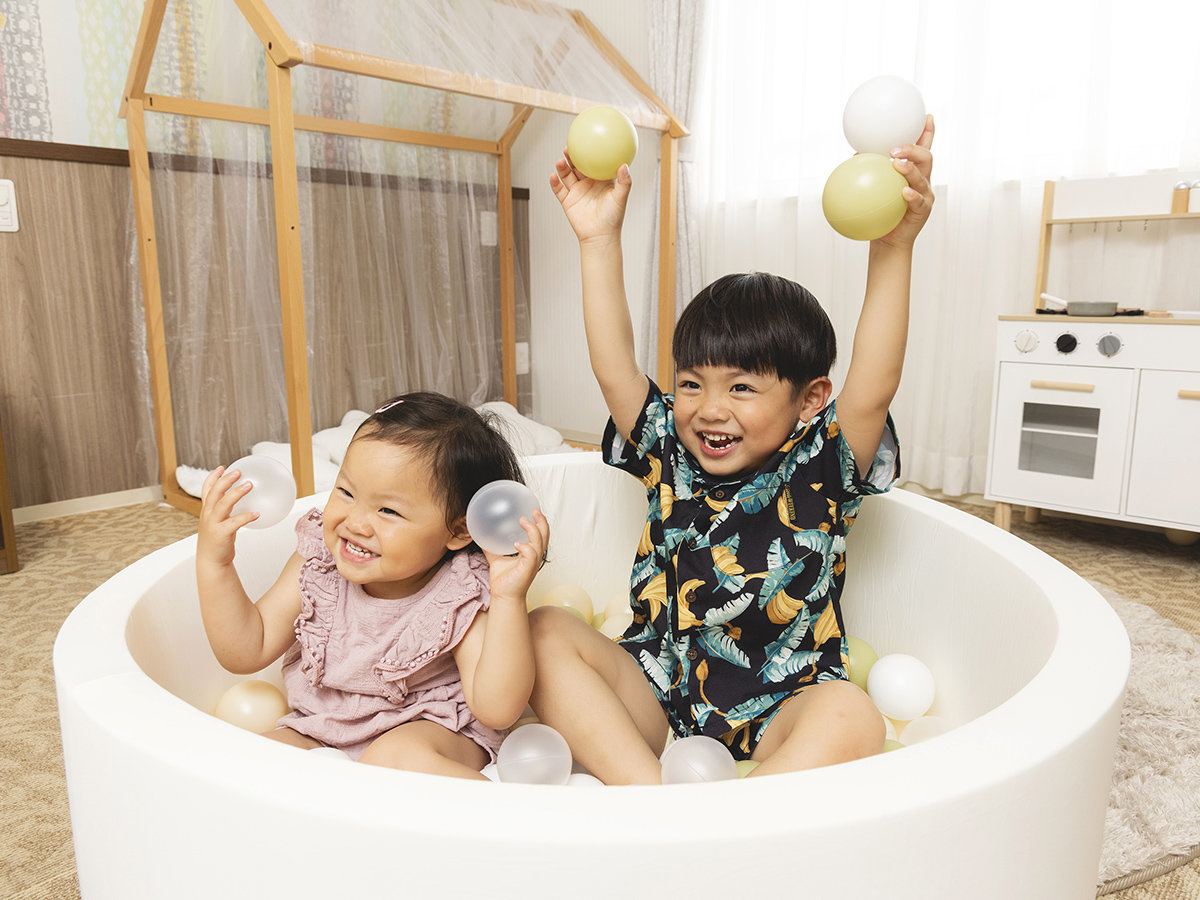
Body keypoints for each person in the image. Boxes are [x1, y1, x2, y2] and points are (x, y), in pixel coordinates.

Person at [529, 119, 935, 784]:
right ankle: (651, 799)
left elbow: (873, 387)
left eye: (742, 387)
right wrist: (598, 240)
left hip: (781, 707)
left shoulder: (822, 464)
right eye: (692, 384)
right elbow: (613, 366)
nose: (709, 408)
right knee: (544, 631)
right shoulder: (667, 446)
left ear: (810, 399)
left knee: (852, 713)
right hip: (658, 693)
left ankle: (739, 821)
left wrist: (893, 246)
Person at [196, 392, 549, 780]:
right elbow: (248, 649)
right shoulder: (319, 562)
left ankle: (504, 815)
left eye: (388, 511)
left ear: (459, 530)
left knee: (393, 758)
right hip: (320, 728)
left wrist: (509, 598)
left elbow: (497, 710)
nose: (355, 523)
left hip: (430, 727)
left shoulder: (457, 592)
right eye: (346, 493)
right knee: (247, 763)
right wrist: (216, 562)